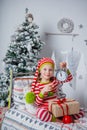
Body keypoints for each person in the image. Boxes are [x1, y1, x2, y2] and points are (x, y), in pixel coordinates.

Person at [28, 57, 84, 122]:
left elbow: (69, 78)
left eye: (50, 70)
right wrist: (42, 92)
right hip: (46, 108)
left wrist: (65, 68)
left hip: (56, 106)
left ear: (53, 71)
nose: (47, 72)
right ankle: (57, 120)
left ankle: (67, 116)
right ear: (40, 71)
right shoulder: (38, 85)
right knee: (40, 113)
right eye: (45, 69)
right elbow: (37, 103)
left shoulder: (54, 80)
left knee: (79, 111)